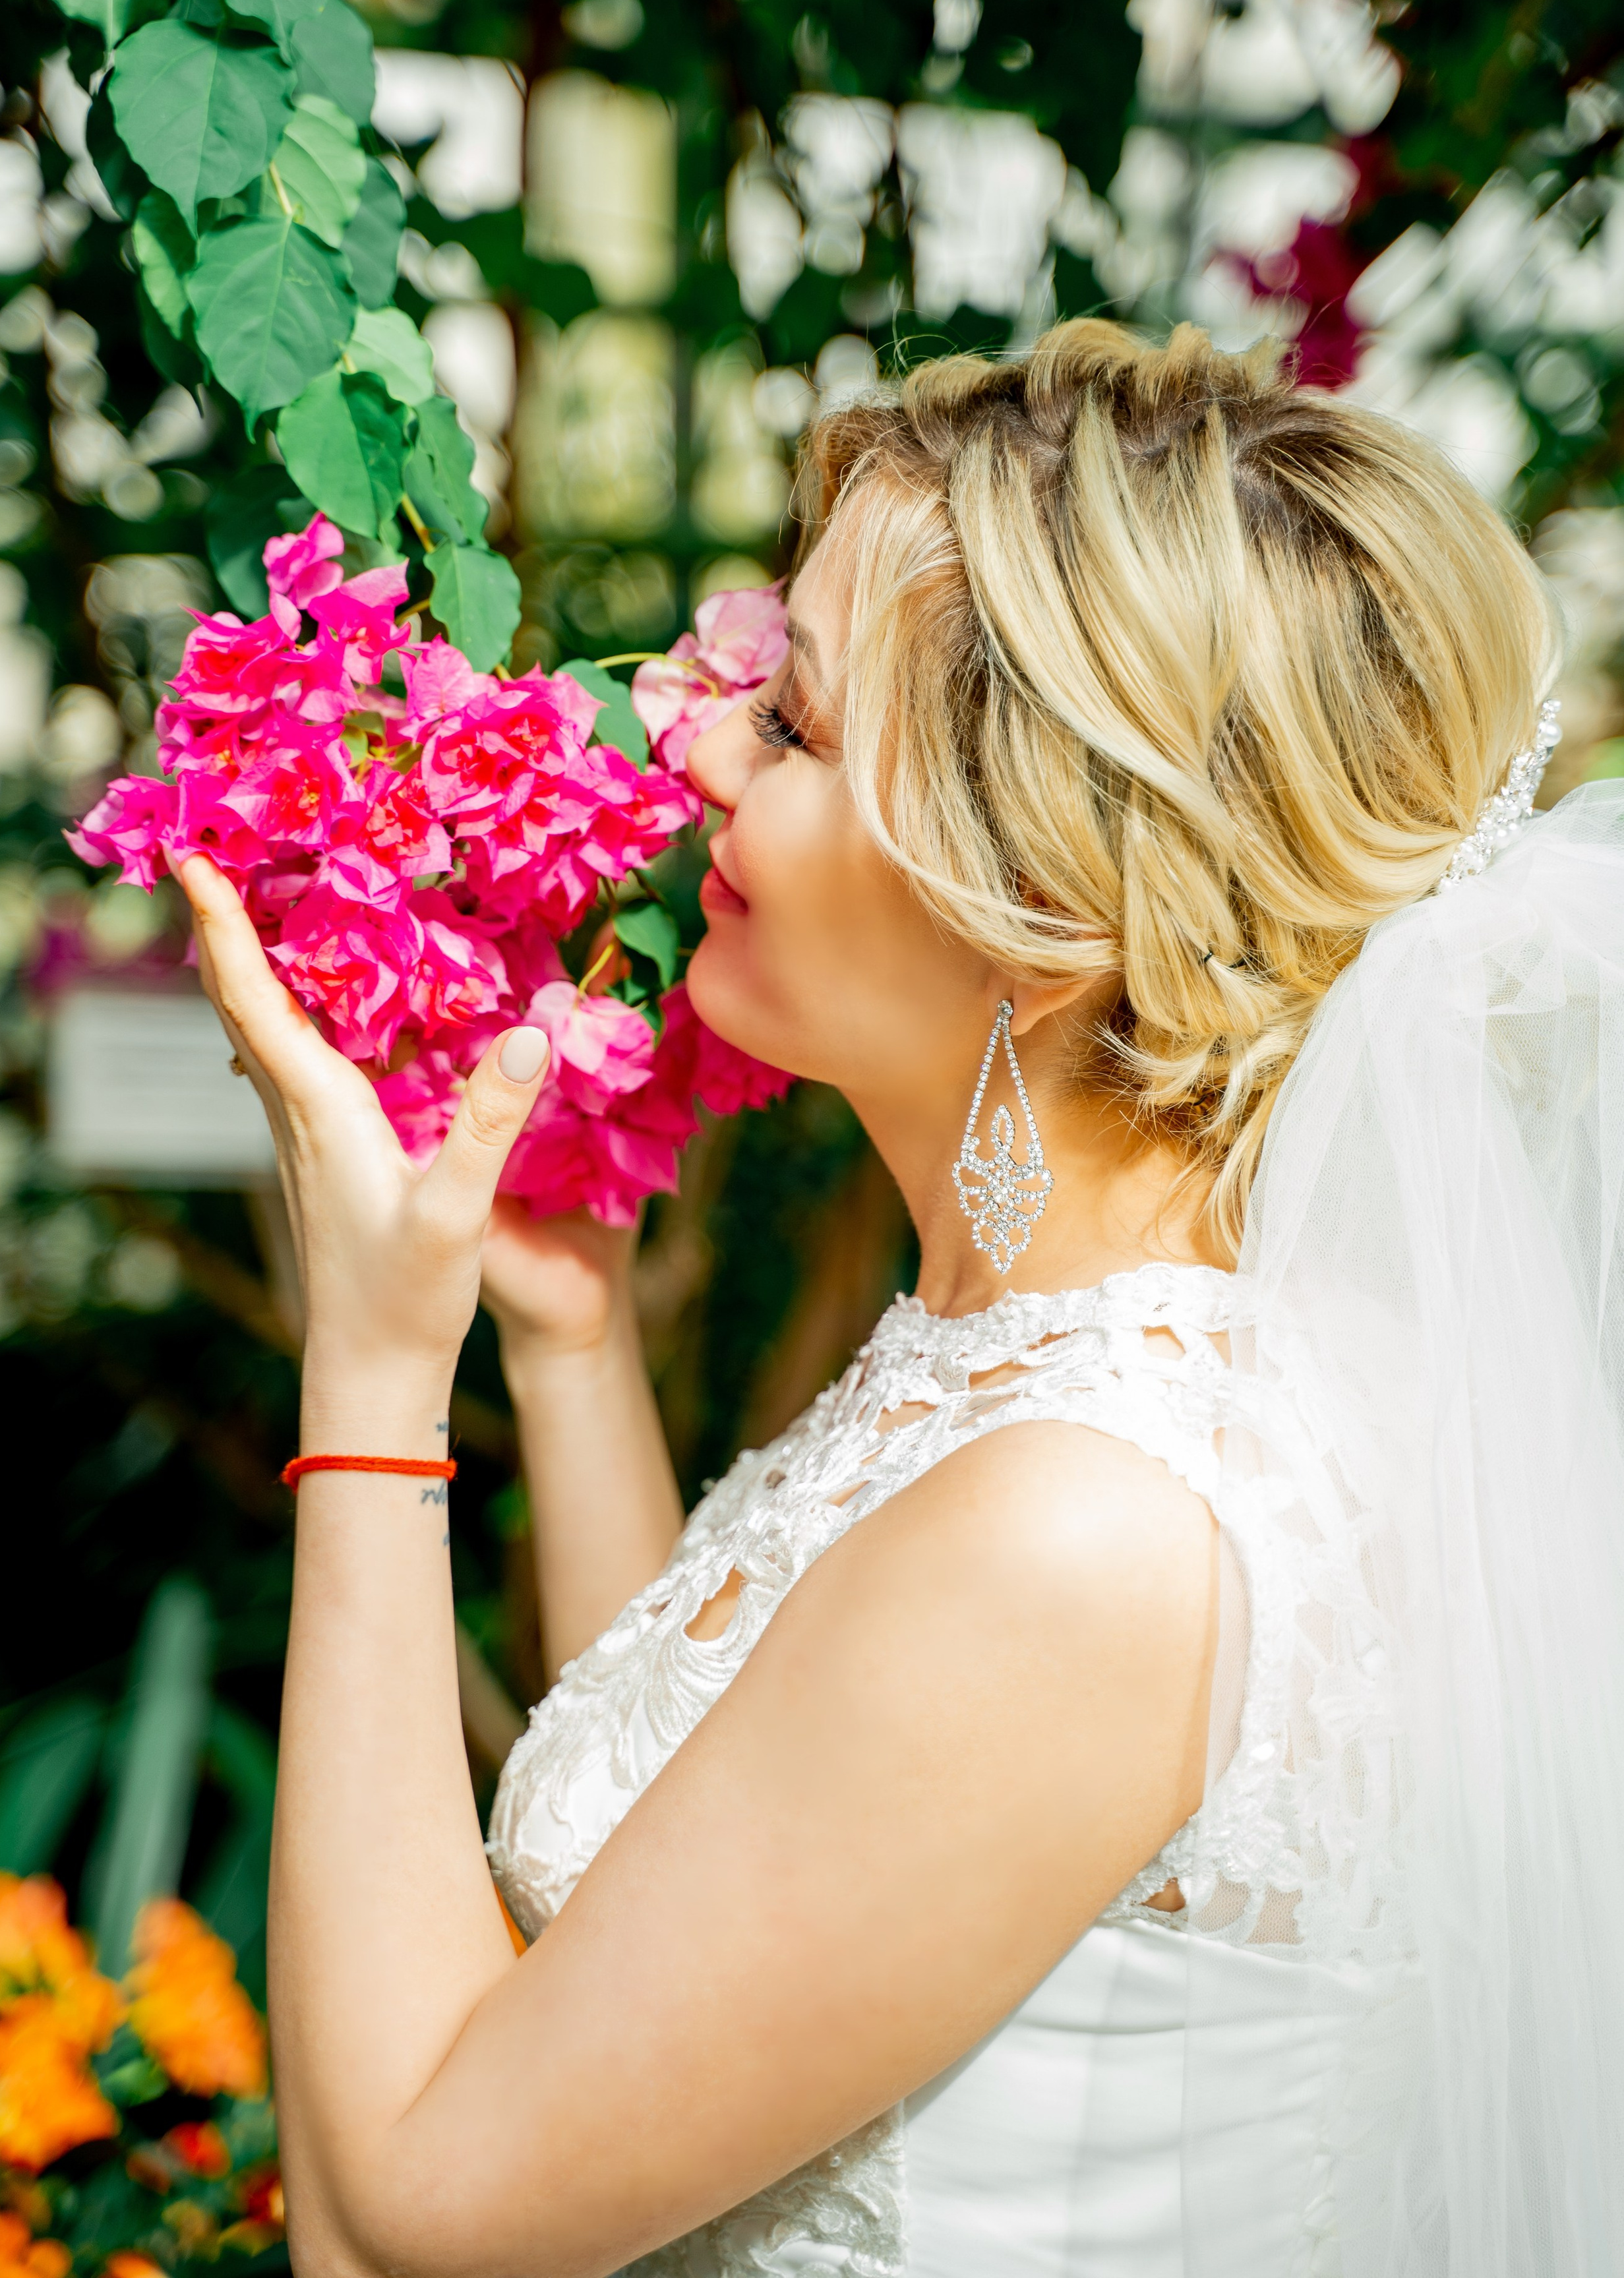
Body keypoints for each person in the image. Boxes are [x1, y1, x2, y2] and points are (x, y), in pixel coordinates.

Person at [180, 319, 1624, 2278]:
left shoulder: (1090, 1528)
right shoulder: (1068, 1359)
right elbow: (741, 1868)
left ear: (1030, 909)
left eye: (791, 730)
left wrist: (368, 1391)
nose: (689, 744)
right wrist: (574, 1344)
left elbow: (394, 2228)